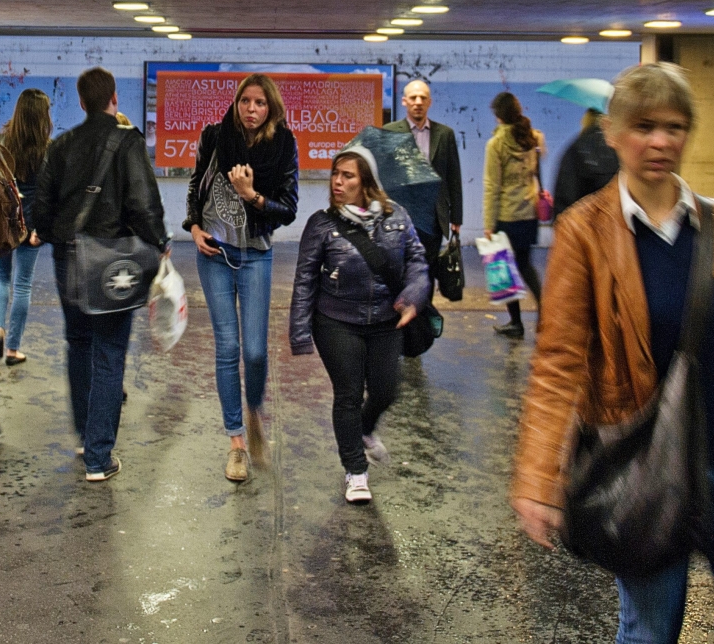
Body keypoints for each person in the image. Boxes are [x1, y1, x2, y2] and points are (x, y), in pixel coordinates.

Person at [511, 63, 714, 644]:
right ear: (615, 134)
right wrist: (538, 476)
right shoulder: (585, 232)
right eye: (644, 126)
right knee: (650, 631)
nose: (660, 141)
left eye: (674, 127)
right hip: (644, 466)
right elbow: (558, 364)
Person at [34, 67, 169, 482]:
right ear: (114, 98)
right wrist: (160, 243)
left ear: (80, 101)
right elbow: (143, 204)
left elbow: (40, 207)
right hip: (112, 263)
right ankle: (98, 456)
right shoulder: (128, 141)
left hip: (68, 260)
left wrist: (52, 233)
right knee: (110, 351)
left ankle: (83, 437)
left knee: (77, 343)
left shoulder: (61, 145)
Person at [290, 147, 431, 504]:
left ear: (366, 181)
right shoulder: (322, 224)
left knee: (386, 391)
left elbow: (417, 261)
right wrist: (300, 331)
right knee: (349, 394)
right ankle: (355, 471)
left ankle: (365, 431)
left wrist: (414, 295)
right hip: (336, 320)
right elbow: (305, 278)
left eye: (347, 175)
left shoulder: (397, 216)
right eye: (335, 174)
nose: (337, 182)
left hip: (386, 319)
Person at [183, 74, 300, 481]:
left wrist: (252, 196)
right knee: (228, 347)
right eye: (245, 101)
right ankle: (235, 442)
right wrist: (194, 227)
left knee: (254, 351)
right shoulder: (215, 136)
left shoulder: (284, 145)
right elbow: (196, 184)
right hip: (214, 252)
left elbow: (289, 208)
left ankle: (254, 413)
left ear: (271, 108)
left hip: (256, 255)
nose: (251, 109)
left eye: (259, 103)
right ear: (236, 104)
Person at [0, 87, 53, 366]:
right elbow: (51, 194)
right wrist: (42, 228)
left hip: (5, 224)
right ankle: (13, 349)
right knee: (23, 284)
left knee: (2, 277)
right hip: (32, 228)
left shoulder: (0, 141)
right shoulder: (49, 149)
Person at [382, 77, 464, 287]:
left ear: (429, 102)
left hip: (433, 218)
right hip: (400, 215)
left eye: (423, 98)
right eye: (413, 97)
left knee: (426, 272)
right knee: (398, 270)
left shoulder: (445, 134)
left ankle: (423, 317)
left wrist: (457, 217)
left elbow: (453, 177)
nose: (418, 101)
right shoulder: (390, 132)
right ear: (404, 101)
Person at [484, 91, 547, 338]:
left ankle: (516, 323)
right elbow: (536, 176)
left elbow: (492, 186)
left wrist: (488, 224)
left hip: (506, 216)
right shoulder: (532, 138)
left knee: (504, 269)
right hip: (528, 213)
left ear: (499, 116)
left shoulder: (496, 144)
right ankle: (546, 313)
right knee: (525, 265)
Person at [552, 107, 619, 218]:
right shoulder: (623, 148)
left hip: (585, 224)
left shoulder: (577, 147)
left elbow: (565, 195)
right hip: (618, 225)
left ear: (587, 119)